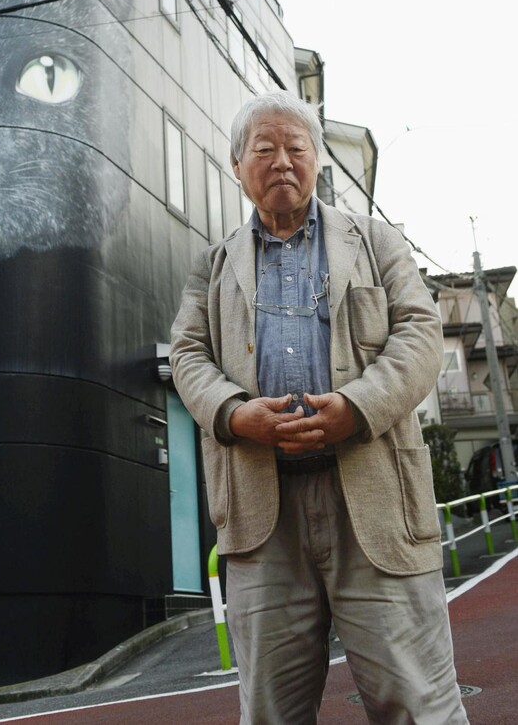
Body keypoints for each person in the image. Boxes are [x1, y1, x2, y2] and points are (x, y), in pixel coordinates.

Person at [170, 92, 468, 725]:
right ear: (236, 164)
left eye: (296, 148)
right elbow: (188, 355)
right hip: (260, 511)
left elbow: (419, 333)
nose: (282, 161)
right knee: (272, 712)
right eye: (265, 148)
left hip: (374, 501)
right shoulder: (212, 267)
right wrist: (232, 414)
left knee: (418, 704)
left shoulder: (377, 242)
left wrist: (356, 407)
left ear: (317, 160)